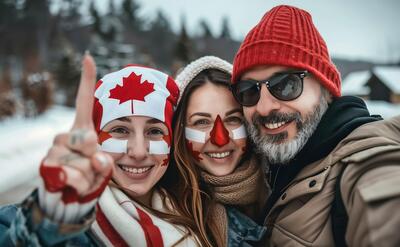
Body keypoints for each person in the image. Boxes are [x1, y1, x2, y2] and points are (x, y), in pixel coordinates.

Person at [230, 4, 400, 246]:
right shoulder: (261, 168)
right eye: (249, 91)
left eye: (286, 85)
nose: (265, 108)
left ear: (327, 91)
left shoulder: (365, 164)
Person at [0, 53, 204, 246]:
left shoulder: (199, 214)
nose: (139, 152)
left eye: (154, 131)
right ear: (96, 138)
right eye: (120, 130)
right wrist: (45, 224)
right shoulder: (47, 216)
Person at [173, 56, 268, 247]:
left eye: (233, 119)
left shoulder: (281, 187)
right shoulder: (165, 209)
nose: (220, 139)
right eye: (201, 122)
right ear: (180, 130)